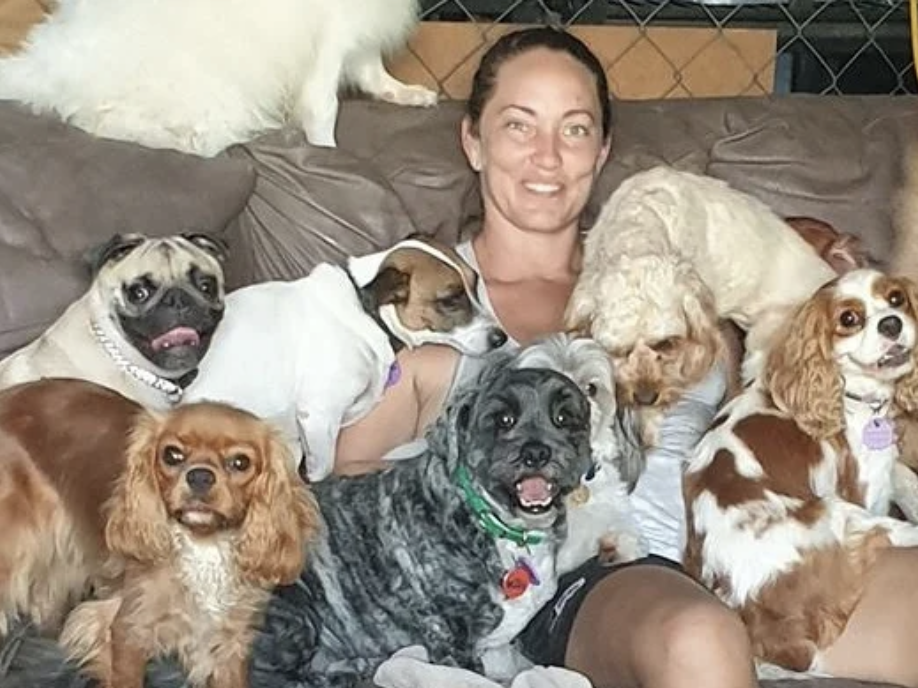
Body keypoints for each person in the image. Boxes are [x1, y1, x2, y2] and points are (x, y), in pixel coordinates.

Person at [336, 27, 918, 688]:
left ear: (603, 149)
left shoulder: (678, 285)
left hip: (750, 546)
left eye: (575, 129)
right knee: (697, 638)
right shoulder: (429, 310)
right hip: (598, 576)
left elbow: (796, 417)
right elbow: (346, 488)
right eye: (519, 125)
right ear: (474, 140)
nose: (548, 156)